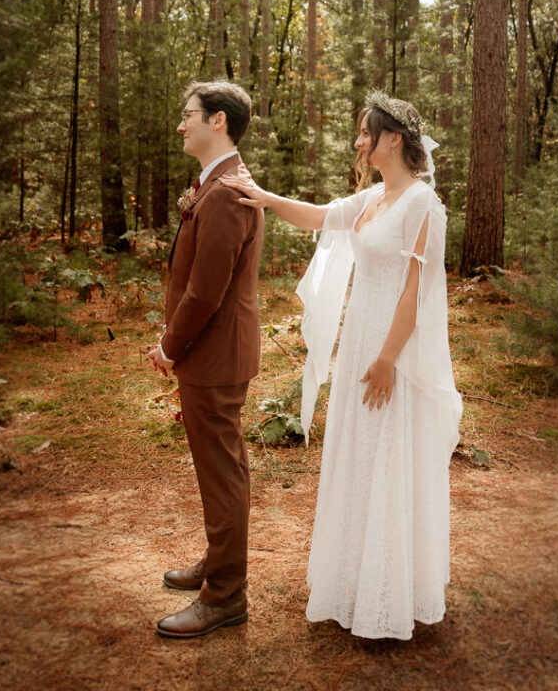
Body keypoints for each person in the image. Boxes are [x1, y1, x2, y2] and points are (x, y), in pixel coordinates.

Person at [221, 89, 462, 641]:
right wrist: (258, 195)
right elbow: (318, 217)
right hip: (360, 340)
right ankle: (354, 583)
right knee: (358, 457)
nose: (358, 142)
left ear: (393, 139)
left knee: (386, 459)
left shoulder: (422, 204)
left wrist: (387, 361)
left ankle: (389, 596)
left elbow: (415, 294)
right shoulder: (374, 197)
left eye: (364, 133)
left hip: (390, 352)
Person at [148, 80, 264, 639]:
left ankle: (225, 596)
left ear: (218, 121)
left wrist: (169, 347)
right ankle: (218, 566)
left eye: (187, 114)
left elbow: (205, 292)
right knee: (220, 468)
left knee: (222, 474)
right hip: (214, 354)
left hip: (213, 356)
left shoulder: (225, 192)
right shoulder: (213, 184)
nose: (180, 124)